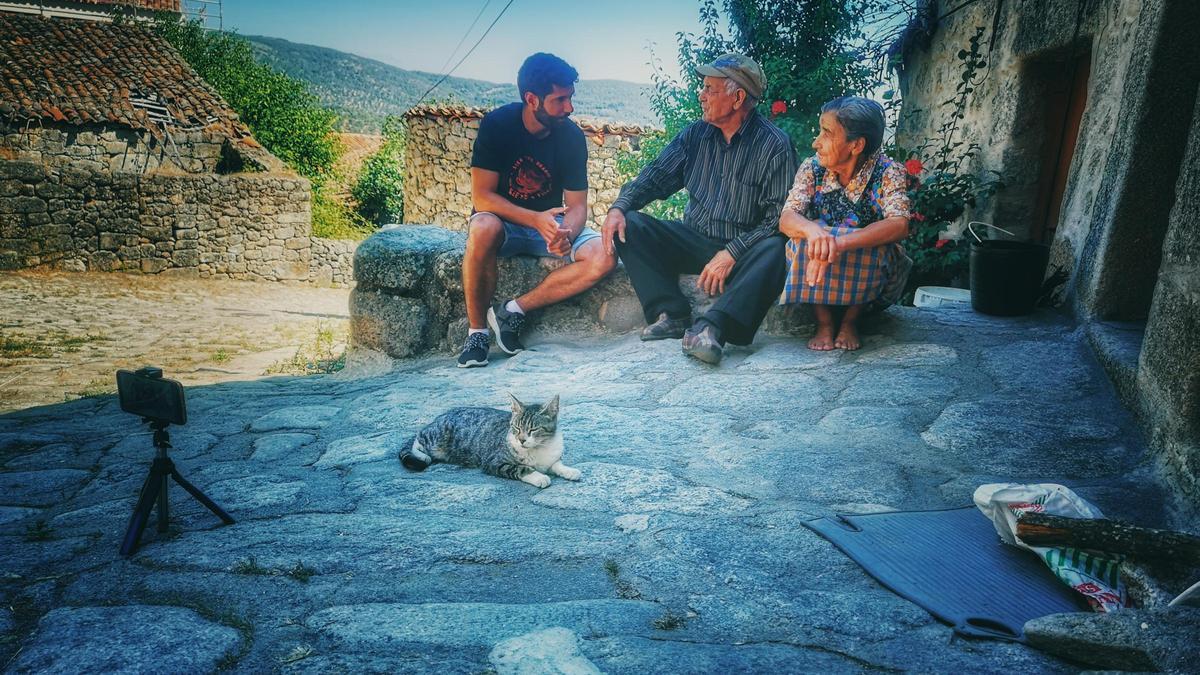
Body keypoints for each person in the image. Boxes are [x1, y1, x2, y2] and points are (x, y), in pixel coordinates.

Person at [600, 53, 797, 365]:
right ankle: (672, 314)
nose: (701, 96)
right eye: (702, 88)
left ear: (738, 97)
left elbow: (778, 218)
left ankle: (711, 328)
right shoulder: (695, 135)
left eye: (709, 89)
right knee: (632, 224)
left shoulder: (774, 145)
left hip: (744, 250)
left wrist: (733, 251)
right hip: (694, 238)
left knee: (775, 249)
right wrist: (619, 207)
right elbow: (655, 177)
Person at [457, 52, 616, 368]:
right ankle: (477, 334)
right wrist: (534, 220)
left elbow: (578, 205)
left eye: (570, 97)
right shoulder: (497, 126)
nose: (569, 107)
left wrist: (565, 231)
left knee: (605, 255)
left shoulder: (570, 136)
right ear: (532, 99)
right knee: (482, 228)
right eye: (560, 100)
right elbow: (483, 197)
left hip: (552, 225)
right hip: (506, 224)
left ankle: (513, 311)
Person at [778, 96, 912, 351]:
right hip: (820, 273)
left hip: (869, 278)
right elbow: (787, 218)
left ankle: (852, 320)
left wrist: (836, 244)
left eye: (826, 133)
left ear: (856, 145)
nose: (815, 142)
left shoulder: (888, 171)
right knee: (802, 238)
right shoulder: (812, 168)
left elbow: (899, 224)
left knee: (876, 240)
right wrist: (815, 233)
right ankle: (824, 322)